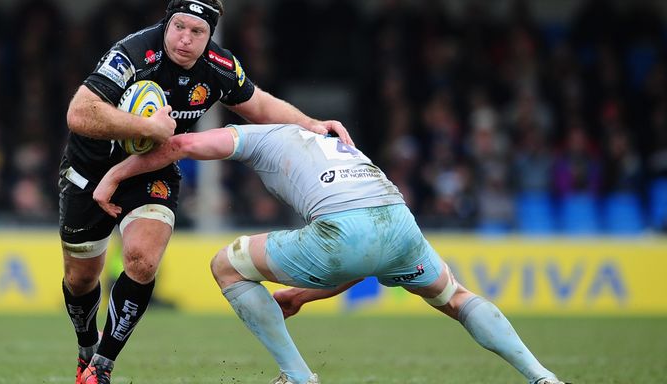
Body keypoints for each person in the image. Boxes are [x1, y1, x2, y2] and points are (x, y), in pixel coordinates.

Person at [93, 124, 566, 384]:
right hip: (398, 222)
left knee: (227, 266)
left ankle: (297, 377)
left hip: (346, 228)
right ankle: (543, 377)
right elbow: (368, 257)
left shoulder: (262, 137)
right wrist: (301, 296)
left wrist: (115, 174)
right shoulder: (333, 146)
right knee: (457, 298)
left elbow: (183, 145)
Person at [60, 0, 352, 384]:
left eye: (197, 32)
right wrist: (148, 126)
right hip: (89, 169)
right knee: (81, 280)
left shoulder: (218, 66)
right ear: (167, 22)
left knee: (142, 261)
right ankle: (85, 349)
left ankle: (102, 367)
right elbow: (80, 113)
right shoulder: (132, 54)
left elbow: (260, 105)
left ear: (209, 35)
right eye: (179, 26)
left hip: (151, 169)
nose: (185, 38)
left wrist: (312, 125)